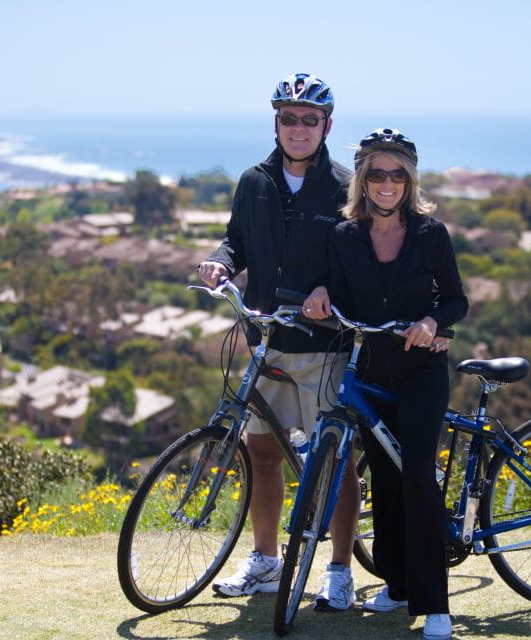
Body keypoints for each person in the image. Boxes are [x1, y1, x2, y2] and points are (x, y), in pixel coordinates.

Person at [196, 73, 361, 611]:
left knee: (333, 463)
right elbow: (237, 240)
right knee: (262, 453)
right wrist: (221, 263)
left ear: (326, 126)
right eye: (288, 117)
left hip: (324, 349)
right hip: (265, 343)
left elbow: (359, 265)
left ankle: (339, 570)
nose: (298, 127)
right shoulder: (253, 182)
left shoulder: (344, 187)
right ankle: (265, 562)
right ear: (276, 122)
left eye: (309, 119)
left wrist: (328, 289)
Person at [302, 128, 468, 637]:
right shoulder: (344, 235)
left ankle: (435, 603)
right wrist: (320, 293)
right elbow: (335, 286)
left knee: (417, 475)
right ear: (363, 180)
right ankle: (397, 586)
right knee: (386, 482)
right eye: (377, 173)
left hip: (421, 372)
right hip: (371, 371)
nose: (388, 182)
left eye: (397, 173)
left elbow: (455, 299)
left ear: (410, 180)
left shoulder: (430, 234)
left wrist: (434, 325)